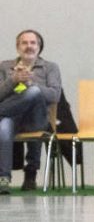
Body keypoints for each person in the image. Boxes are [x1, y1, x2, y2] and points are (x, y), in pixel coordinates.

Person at [0, 30, 61, 193]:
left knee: (33, 92)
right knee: (3, 129)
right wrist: (13, 80)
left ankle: (31, 173)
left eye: (33, 43)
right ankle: (3, 179)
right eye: (24, 43)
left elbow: (55, 95)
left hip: (37, 118)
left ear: (39, 47)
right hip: (11, 116)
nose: (29, 46)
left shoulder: (50, 68)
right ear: (17, 47)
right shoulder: (4, 66)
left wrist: (31, 83)